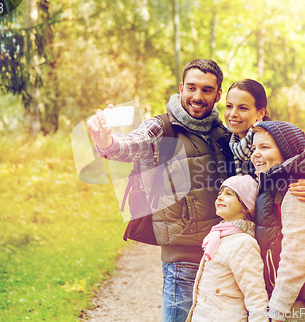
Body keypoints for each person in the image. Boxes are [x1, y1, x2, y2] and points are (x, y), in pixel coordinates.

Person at [87, 59, 234, 322]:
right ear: (180, 88)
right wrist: (104, 141)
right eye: (191, 88)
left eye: (206, 90)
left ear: (218, 94)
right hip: (182, 260)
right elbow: (130, 144)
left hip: (222, 257)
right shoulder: (162, 127)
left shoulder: (221, 133)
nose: (197, 97)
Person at [250, 121, 305, 322]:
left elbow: (296, 257)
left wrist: (277, 310)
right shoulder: (270, 185)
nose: (255, 154)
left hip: (292, 305)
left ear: (285, 151)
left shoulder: (294, 192)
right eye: (254, 148)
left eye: (265, 147)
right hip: (278, 296)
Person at [224, 78, 305, 204]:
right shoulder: (224, 143)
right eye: (229, 106)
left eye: (243, 108)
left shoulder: (281, 141)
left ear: (260, 113)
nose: (233, 114)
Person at [186, 175, 268, 322]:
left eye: (229, 194)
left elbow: (255, 294)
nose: (220, 198)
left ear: (245, 206)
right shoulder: (219, 235)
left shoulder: (244, 243)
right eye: (220, 194)